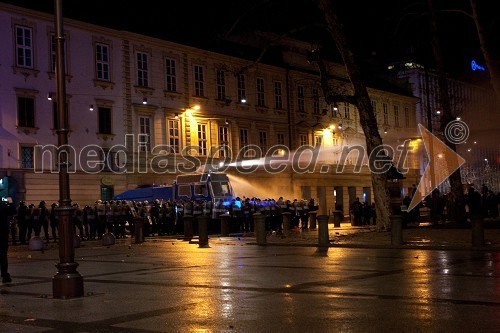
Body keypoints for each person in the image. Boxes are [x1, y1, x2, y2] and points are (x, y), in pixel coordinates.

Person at [1, 197, 16, 283]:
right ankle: (4, 275)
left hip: (3, 233)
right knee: (3, 256)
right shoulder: (3, 207)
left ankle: (5, 275)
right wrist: (10, 202)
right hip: (2, 234)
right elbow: (13, 211)